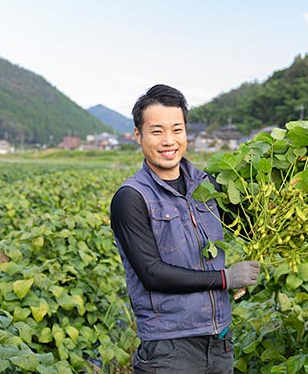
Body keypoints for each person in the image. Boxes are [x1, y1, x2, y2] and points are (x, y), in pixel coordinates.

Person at [110, 84, 260, 373]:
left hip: (219, 341)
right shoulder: (130, 198)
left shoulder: (208, 185)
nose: (169, 141)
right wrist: (226, 278)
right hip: (168, 349)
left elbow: (249, 227)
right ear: (138, 135)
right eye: (157, 131)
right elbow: (152, 274)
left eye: (177, 130)